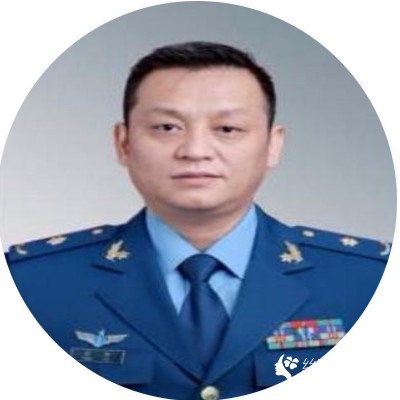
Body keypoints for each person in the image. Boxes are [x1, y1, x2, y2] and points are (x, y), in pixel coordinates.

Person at [5, 42, 389, 400]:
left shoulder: (370, 280)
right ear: (123, 143)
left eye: (227, 129)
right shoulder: (30, 284)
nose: (195, 151)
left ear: (273, 145)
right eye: (167, 127)